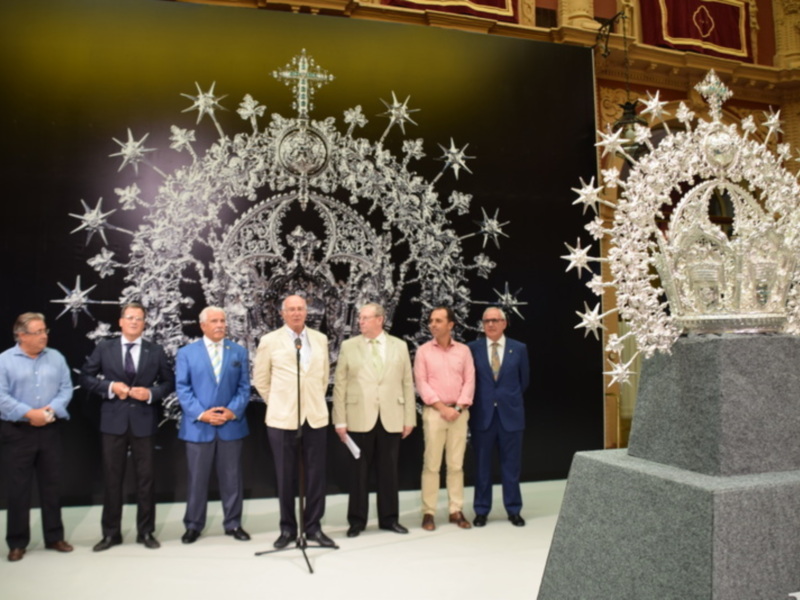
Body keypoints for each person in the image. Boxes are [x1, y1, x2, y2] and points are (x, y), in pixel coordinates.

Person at [80, 302, 174, 551]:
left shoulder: (155, 350)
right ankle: (111, 534)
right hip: (113, 422)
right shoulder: (105, 348)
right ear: (120, 322)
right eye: (130, 317)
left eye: (139, 318)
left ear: (145, 324)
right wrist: (110, 387)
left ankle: (146, 531)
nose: (134, 322)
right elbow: (86, 377)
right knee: (112, 480)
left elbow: (168, 383)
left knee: (146, 480)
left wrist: (151, 393)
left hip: (144, 421)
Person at [253, 294, 333, 548]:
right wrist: (279, 401)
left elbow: (323, 378)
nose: (296, 313)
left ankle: (314, 528)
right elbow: (261, 380)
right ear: (283, 313)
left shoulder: (320, 339)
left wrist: (311, 400)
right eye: (291, 309)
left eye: (300, 309)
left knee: (316, 476)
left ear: (306, 312)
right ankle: (287, 529)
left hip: (315, 417)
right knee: (285, 476)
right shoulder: (269, 341)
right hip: (282, 418)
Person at [332, 302, 416, 537]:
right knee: (358, 473)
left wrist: (409, 418)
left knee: (389, 472)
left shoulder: (399, 346)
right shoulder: (349, 346)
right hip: (359, 417)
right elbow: (340, 385)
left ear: (380, 319)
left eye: (365, 318)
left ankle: (389, 519)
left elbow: (407, 384)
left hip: (392, 416)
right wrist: (340, 420)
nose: (360, 321)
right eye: (360, 318)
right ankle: (357, 521)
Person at [0, 313, 73, 562]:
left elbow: (66, 389)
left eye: (45, 331)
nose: (44, 336)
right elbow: (1, 397)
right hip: (17, 432)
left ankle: (54, 536)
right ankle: (17, 542)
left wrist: (48, 412)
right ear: (21, 335)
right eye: (38, 332)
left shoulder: (56, 357)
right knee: (18, 489)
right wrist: (29, 413)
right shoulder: (4, 361)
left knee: (52, 486)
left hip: (50, 429)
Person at [175, 306, 251, 544]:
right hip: (199, 427)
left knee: (232, 479)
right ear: (203, 326)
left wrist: (231, 412)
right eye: (215, 321)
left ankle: (233, 523)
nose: (220, 325)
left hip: (231, 426)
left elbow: (244, 388)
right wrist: (201, 414)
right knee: (196, 480)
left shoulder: (238, 352)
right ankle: (193, 525)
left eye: (222, 320)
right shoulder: (187, 353)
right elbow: (183, 388)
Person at [413, 306, 475, 531]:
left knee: (456, 465)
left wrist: (457, 408)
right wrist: (442, 407)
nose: (433, 324)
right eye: (431, 321)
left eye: (438, 321)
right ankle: (428, 512)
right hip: (434, 413)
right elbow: (421, 383)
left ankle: (455, 509)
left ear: (451, 325)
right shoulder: (423, 352)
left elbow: (469, 381)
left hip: (459, 413)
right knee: (431, 465)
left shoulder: (463, 351)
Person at [468, 307, 530, 527]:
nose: (491, 324)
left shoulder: (519, 348)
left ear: (504, 323)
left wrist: (506, 399)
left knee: (511, 467)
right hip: (483, 417)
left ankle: (513, 509)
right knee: (482, 467)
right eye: (486, 321)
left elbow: (524, 381)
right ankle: (481, 510)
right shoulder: (472, 349)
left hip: (510, 416)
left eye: (495, 320)